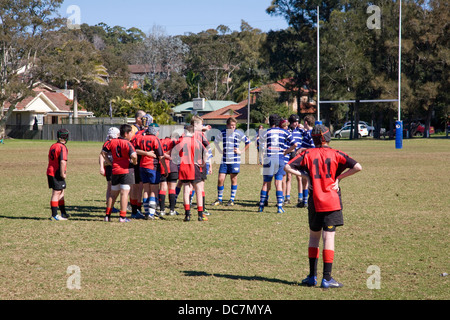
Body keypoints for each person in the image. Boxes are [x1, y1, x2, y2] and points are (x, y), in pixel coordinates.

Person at [284, 124, 362, 288]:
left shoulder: (307, 153)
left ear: (313, 139)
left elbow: (287, 166)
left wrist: (306, 175)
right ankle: (327, 278)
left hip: (314, 200)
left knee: (314, 237)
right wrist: (339, 178)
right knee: (329, 237)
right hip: (331, 201)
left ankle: (312, 276)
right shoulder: (336, 154)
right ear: (328, 138)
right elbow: (357, 167)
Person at [258, 115, 297, 214]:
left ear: (270, 123)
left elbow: (259, 144)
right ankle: (279, 207)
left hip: (268, 159)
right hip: (280, 159)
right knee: (278, 183)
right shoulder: (284, 132)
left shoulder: (266, 132)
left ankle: (261, 206)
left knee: (266, 183)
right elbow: (295, 144)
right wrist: (287, 151)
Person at [102, 124, 137, 223]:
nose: (131, 135)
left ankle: (107, 216)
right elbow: (134, 155)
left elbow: (103, 152)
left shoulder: (111, 142)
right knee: (124, 193)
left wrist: (109, 162)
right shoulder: (128, 143)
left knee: (113, 194)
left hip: (115, 170)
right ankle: (122, 216)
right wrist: (135, 162)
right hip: (126, 171)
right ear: (126, 134)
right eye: (130, 133)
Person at [172, 125, 208, 222]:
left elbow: (174, 153)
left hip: (183, 167)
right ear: (193, 133)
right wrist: (202, 163)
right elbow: (206, 153)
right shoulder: (196, 141)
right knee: (198, 190)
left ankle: (187, 215)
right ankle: (200, 215)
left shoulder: (181, 141)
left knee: (186, 190)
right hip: (193, 167)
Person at [212, 117, 250, 207]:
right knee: (220, 179)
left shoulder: (238, 133)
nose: (233, 127)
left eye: (234, 125)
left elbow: (248, 142)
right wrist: (220, 151)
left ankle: (232, 200)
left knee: (233, 179)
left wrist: (241, 151)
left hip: (235, 160)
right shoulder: (223, 133)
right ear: (227, 125)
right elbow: (216, 142)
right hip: (224, 160)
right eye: (231, 125)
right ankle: (219, 199)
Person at [135, 123, 168, 220]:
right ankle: (151, 214)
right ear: (155, 131)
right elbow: (161, 156)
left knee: (146, 189)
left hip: (142, 166)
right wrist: (165, 168)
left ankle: (146, 211)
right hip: (152, 166)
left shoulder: (141, 138)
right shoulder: (155, 139)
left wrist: (145, 153)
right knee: (153, 190)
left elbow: (135, 150)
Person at [47, 128, 70, 221]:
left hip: (50, 170)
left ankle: (63, 213)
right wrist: (62, 173)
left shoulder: (53, 145)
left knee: (61, 192)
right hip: (56, 172)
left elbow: (49, 158)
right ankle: (54, 215)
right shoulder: (62, 147)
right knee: (56, 193)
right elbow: (62, 161)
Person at [99, 127, 120, 213]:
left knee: (111, 187)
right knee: (111, 187)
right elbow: (101, 155)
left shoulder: (109, 142)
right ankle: (110, 206)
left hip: (111, 166)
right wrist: (102, 167)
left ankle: (110, 205)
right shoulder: (109, 143)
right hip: (110, 167)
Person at [159, 132, 180, 216]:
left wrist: (164, 155)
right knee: (172, 189)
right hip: (172, 166)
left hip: (162, 166)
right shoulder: (175, 142)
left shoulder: (160, 141)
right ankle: (172, 210)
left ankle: (162, 210)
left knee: (163, 188)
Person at [296, 115, 315, 208]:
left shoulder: (310, 133)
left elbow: (312, 147)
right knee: (305, 180)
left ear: (306, 122)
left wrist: (302, 149)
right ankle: (304, 201)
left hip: (309, 159)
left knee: (307, 179)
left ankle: (306, 201)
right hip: (307, 158)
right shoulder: (309, 132)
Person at [285, 114, 304, 205]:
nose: (296, 123)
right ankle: (287, 197)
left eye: (297, 121)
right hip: (290, 155)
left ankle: (300, 197)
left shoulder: (301, 130)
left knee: (299, 177)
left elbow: (309, 134)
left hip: (298, 156)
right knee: (288, 177)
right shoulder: (287, 131)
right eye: (294, 122)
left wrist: (303, 128)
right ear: (290, 122)